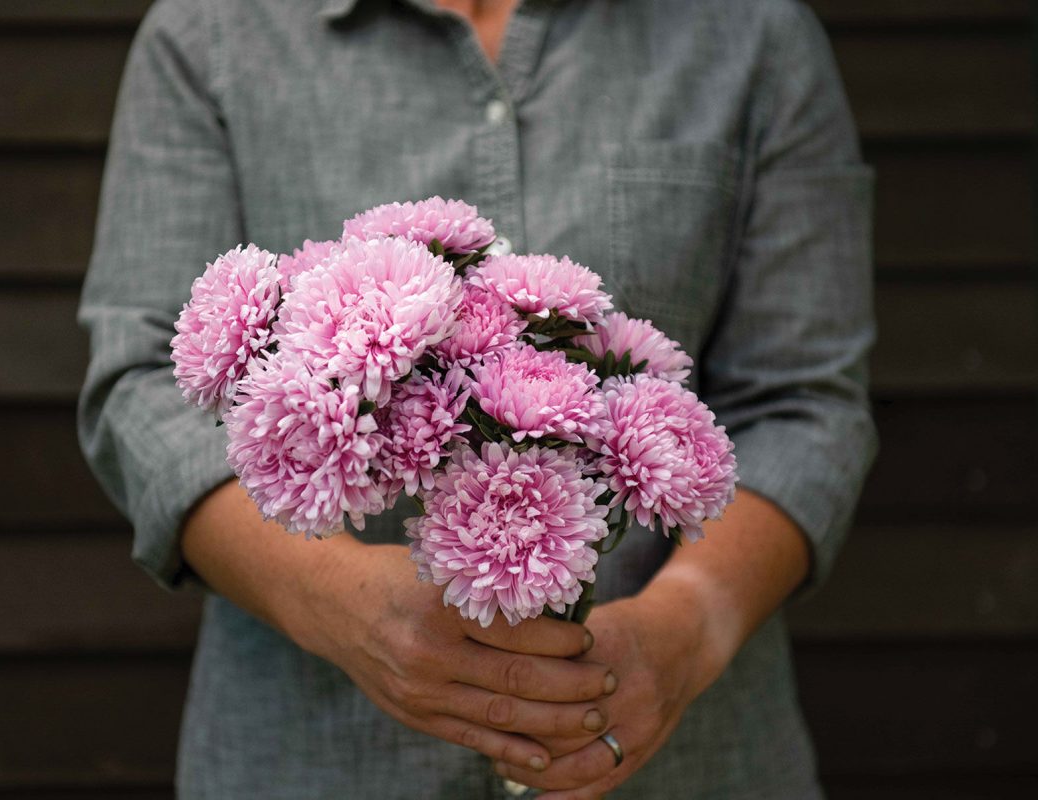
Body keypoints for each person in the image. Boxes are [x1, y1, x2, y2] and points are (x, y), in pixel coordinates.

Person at [77, 0, 876, 797]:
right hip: (316, 757)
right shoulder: (208, 33)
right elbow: (141, 386)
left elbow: (807, 404)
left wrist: (688, 627)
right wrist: (339, 604)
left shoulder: (752, 32)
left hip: (689, 759)